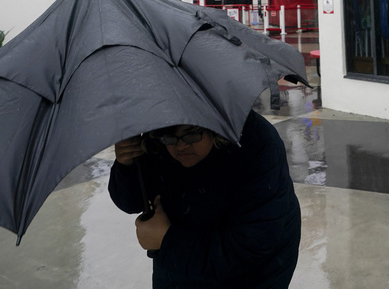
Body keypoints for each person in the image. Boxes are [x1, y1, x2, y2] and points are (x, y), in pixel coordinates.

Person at [109, 111, 301, 288]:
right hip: (179, 261)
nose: (181, 145)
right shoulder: (157, 136)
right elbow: (131, 202)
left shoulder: (257, 142)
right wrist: (127, 165)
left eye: (192, 134)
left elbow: (250, 247)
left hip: (255, 272)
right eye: (170, 137)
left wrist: (168, 240)